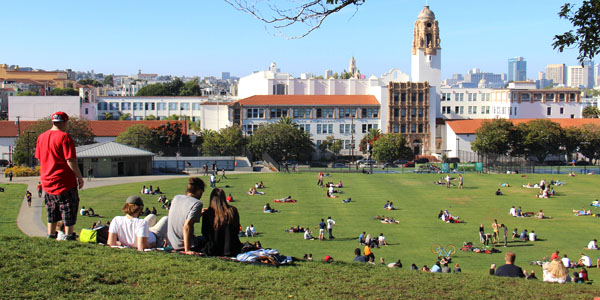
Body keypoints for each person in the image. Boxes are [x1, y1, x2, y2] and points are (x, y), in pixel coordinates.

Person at [35, 112, 84, 240]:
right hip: (64, 180)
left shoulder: (41, 137)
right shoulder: (64, 137)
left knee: (51, 209)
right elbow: (70, 160)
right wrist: (79, 176)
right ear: (64, 122)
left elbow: (41, 158)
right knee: (68, 207)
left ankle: (50, 234)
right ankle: (69, 235)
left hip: (47, 180)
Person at [166, 177, 205, 254]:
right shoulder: (197, 203)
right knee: (205, 240)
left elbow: (176, 217)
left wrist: (198, 214)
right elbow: (187, 225)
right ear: (198, 191)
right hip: (183, 245)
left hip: (171, 242)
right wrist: (187, 250)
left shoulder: (176, 198)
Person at [200, 188, 242, 256]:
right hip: (232, 249)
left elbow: (205, 233)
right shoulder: (233, 211)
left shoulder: (208, 213)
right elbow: (236, 230)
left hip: (213, 249)